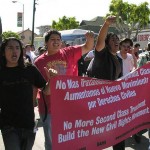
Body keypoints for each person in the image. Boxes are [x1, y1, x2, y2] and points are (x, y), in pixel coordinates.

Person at [34, 29, 94, 150]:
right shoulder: (38, 62)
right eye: (52, 40)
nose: (56, 42)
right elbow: (40, 88)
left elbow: (88, 47)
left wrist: (90, 38)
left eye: (58, 40)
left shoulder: (69, 52)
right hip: (49, 108)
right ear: (46, 43)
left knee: (71, 139)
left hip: (70, 105)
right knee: (52, 143)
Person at [0, 37, 56, 150]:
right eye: (10, 48)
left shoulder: (30, 69)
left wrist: (52, 80)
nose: (14, 51)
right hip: (8, 125)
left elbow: (46, 91)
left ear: (21, 51)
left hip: (28, 124)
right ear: (3, 52)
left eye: (17, 48)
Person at [87, 16, 124, 150]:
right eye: (113, 39)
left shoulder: (118, 59)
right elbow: (99, 41)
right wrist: (106, 24)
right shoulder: (102, 55)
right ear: (107, 43)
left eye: (117, 39)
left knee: (119, 135)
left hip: (113, 101)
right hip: (99, 101)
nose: (116, 41)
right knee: (98, 137)